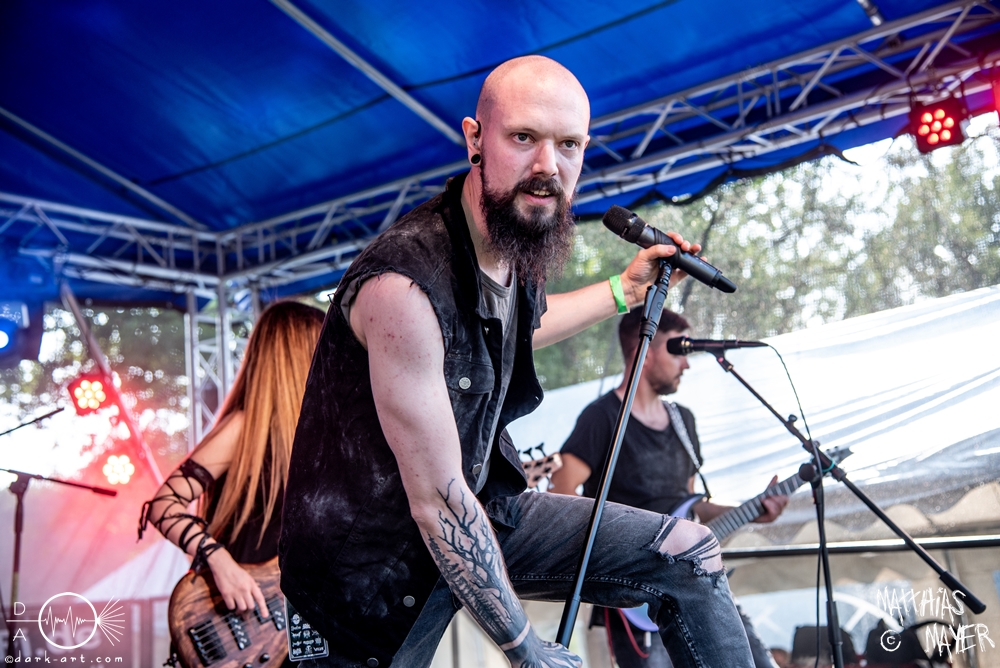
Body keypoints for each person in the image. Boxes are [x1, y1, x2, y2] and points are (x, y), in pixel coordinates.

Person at [280, 55, 756, 668]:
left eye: (568, 145)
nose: (547, 166)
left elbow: (519, 330)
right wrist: (525, 647)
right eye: (524, 137)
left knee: (689, 553)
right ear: (475, 139)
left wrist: (626, 290)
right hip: (370, 571)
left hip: (481, 507)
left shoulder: (510, 245)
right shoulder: (404, 285)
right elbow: (437, 503)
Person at [549, 307, 789, 668]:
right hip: (632, 597)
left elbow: (693, 505)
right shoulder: (601, 417)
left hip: (692, 582)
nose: (687, 363)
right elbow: (560, 496)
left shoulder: (683, 420)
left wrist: (755, 511)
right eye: (677, 350)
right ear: (644, 353)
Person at [139, 301, 324, 618]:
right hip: (234, 618)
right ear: (298, 357)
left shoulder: (316, 440)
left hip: (284, 621)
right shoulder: (242, 430)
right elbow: (163, 505)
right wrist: (218, 558)